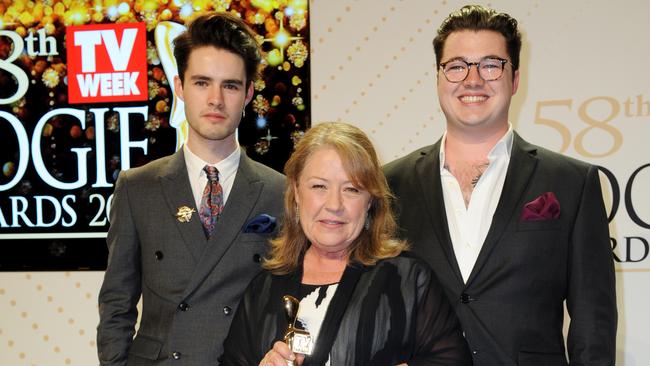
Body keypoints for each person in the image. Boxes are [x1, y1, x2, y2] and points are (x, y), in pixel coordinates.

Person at [384, 5, 617, 365]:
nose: (472, 80)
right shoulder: (389, 185)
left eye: (491, 65)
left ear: (515, 79)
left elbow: (593, 324)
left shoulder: (572, 183)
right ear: (438, 78)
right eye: (457, 66)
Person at [97, 13, 285, 365]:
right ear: (180, 87)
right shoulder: (137, 188)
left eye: (230, 85)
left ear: (248, 94)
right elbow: (116, 304)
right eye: (202, 83)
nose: (215, 99)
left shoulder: (279, 192)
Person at [219, 122, 472, 366]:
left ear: (370, 200)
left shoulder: (409, 279)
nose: (334, 205)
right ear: (296, 191)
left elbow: (452, 360)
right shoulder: (263, 288)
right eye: (319, 186)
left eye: (351, 189)